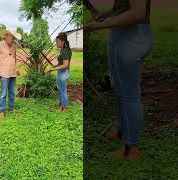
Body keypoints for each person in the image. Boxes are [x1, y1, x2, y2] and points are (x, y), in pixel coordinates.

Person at [85, 0, 153, 160]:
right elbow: (125, 5)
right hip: (123, 35)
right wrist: (108, 13)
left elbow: (137, 13)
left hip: (132, 36)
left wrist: (102, 24)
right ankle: (122, 131)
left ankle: (131, 149)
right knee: (119, 88)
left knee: (129, 94)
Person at [0, 29, 22, 118]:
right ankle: (1, 111)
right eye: (12, 37)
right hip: (4, 73)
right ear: (6, 36)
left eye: (14, 38)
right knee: (3, 93)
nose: (13, 39)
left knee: (12, 92)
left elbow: (14, 59)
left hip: (12, 73)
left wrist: (17, 69)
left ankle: (11, 107)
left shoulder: (14, 46)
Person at [49, 33, 72, 112]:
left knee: (63, 90)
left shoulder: (65, 51)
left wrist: (54, 69)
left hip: (64, 73)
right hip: (61, 72)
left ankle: (63, 108)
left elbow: (66, 65)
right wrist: (55, 66)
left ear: (62, 42)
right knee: (60, 89)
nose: (56, 43)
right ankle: (61, 104)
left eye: (57, 42)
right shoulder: (63, 50)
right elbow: (61, 63)